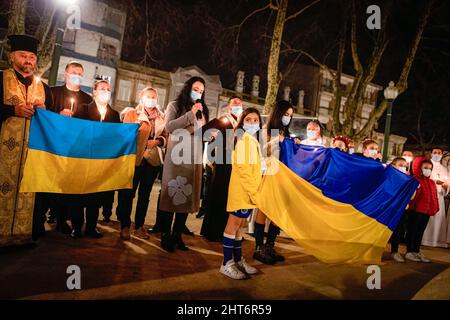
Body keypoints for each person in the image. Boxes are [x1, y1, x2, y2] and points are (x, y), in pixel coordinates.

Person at [0, 34, 53, 245]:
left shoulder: (44, 88)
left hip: (32, 154)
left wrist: (46, 112)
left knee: (29, 192)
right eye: (23, 56)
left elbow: (52, 122)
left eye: (32, 57)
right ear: (12, 57)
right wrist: (14, 109)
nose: (28, 61)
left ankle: (25, 235)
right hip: (3, 152)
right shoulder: (1, 79)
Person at [158, 76, 209, 252]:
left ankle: (177, 234)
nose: (198, 93)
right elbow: (170, 127)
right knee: (171, 196)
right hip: (176, 157)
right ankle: (165, 234)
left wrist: (209, 134)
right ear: (188, 88)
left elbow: (200, 133)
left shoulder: (203, 111)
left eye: (201, 91)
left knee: (186, 198)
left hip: (193, 157)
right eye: (196, 89)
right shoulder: (174, 106)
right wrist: (190, 114)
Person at [116, 87, 167, 240]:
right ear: (142, 98)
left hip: (152, 160)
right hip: (135, 159)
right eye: (148, 96)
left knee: (145, 196)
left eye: (154, 96)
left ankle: (139, 226)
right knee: (128, 194)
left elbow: (166, 135)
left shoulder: (162, 117)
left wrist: (158, 141)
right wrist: (137, 126)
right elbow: (124, 134)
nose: (151, 99)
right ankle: (125, 226)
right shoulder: (132, 113)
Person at [72, 80, 120, 239]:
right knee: (79, 195)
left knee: (95, 196)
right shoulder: (83, 109)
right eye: (102, 89)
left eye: (108, 89)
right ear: (94, 92)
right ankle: (77, 227)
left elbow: (116, 137)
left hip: (101, 162)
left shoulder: (114, 115)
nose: (105, 91)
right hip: (83, 159)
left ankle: (91, 227)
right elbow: (76, 133)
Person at [50, 61, 92, 235]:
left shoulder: (87, 99)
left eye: (80, 73)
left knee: (70, 185)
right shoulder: (53, 92)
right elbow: (45, 114)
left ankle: (66, 218)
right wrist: (59, 116)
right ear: (66, 73)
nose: (77, 75)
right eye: (74, 72)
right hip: (55, 145)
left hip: (76, 149)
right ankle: (54, 215)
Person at [252, 100, 296, 265]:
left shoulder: (286, 132)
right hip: (266, 174)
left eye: (290, 116)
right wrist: (275, 141)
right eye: (286, 114)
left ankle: (270, 245)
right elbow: (261, 151)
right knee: (263, 210)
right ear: (278, 113)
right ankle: (258, 247)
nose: (287, 118)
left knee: (277, 213)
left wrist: (293, 143)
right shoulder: (266, 130)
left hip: (281, 176)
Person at [220, 107, 261, 279]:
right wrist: (253, 191)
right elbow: (244, 169)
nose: (252, 123)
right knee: (233, 224)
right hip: (243, 191)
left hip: (249, 191)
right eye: (248, 119)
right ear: (242, 122)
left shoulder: (252, 141)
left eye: (255, 120)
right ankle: (226, 263)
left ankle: (238, 260)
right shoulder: (244, 141)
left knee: (239, 227)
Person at [200, 96, 242, 242]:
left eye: (239, 103)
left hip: (235, 164)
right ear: (228, 107)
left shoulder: (241, 123)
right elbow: (203, 133)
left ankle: (226, 230)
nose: (237, 105)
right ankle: (212, 231)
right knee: (218, 195)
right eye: (234, 103)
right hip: (222, 162)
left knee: (229, 198)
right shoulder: (223, 120)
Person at [405, 159, 439, 262]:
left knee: (420, 232)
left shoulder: (432, 182)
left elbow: (434, 196)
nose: (428, 170)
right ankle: (409, 251)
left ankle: (416, 250)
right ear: (419, 168)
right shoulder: (415, 180)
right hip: (416, 211)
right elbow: (412, 196)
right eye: (425, 168)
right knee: (412, 231)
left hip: (427, 211)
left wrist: (435, 207)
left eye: (430, 168)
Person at [422, 147, 449, 248]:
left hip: (440, 196)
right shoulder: (426, 165)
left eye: (439, 153)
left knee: (438, 218)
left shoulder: (444, 168)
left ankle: (437, 240)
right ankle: (425, 240)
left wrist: (446, 186)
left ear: (442, 155)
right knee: (428, 219)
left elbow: (447, 181)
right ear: (431, 153)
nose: (437, 154)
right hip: (428, 195)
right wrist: (434, 181)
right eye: (435, 152)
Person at [389, 157, 409, 262]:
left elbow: (411, 196)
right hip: (391, 208)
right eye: (400, 165)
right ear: (393, 165)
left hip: (402, 209)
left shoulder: (407, 179)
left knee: (398, 231)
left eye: (405, 166)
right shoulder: (389, 177)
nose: (403, 168)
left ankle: (394, 251)